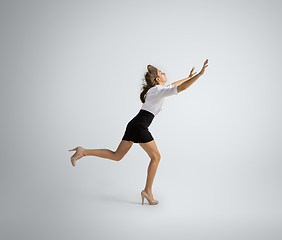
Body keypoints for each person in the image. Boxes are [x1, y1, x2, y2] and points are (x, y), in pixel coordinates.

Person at [69, 59, 208, 205]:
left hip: (134, 125)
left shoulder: (157, 90)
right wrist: (200, 74)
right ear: (157, 79)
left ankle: (83, 151)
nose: (165, 73)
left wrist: (190, 76)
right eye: (161, 73)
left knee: (117, 156)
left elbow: (176, 85)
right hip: (139, 126)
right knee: (156, 157)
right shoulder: (157, 90)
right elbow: (182, 89)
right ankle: (147, 191)